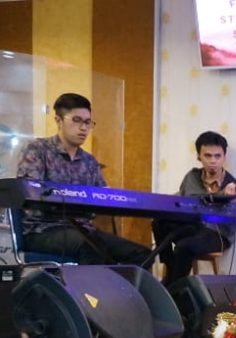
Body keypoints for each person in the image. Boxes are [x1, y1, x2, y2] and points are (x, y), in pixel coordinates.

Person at [16, 92, 151, 266]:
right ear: (59, 121)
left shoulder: (89, 161)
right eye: (77, 120)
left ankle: (118, 286)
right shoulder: (37, 150)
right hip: (42, 230)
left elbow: (102, 197)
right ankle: (94, 285)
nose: (83, 128)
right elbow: (31, 194)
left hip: (84, 230)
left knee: (141, 254)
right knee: (92, 246)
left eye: (88, 122)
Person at [153, 131, 236, 285]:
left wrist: (227, 200)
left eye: (217, 156)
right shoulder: (192, 177)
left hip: (217, 234)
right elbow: (182, 201)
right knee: (159, 223)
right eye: (208, 156)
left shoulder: (233, 184)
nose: (213, 161)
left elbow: (234, 224)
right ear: (199, 156)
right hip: (192, 226)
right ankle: (170, 266)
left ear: (224, 157)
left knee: (184, 247)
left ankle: (175, 287)